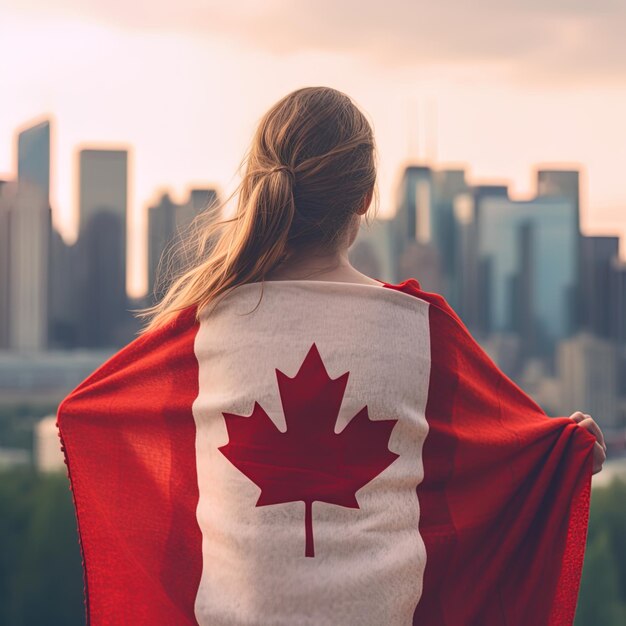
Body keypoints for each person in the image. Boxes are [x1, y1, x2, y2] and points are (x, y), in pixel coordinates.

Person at [58, 86, 606, 626]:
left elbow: (90, 415)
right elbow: (502, 453)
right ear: (366, 201)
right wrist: (569, 453)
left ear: (256, 187)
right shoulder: (422, 329)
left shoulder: (202, 330)